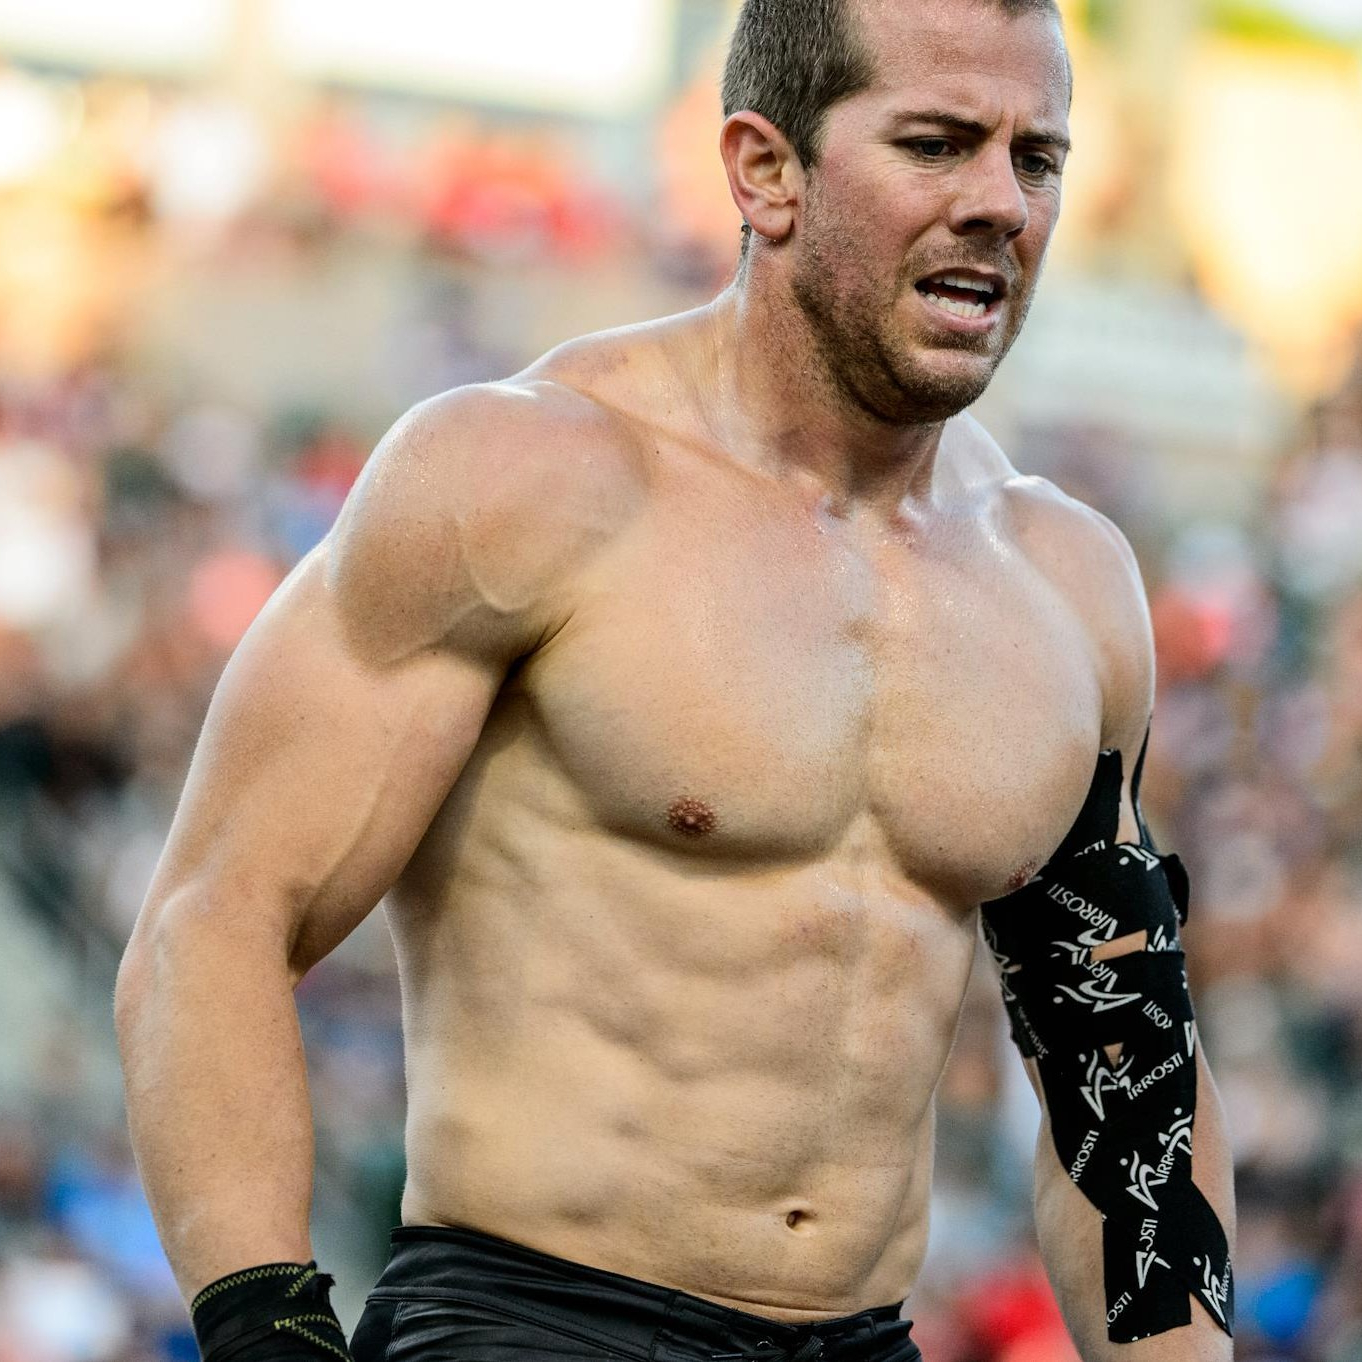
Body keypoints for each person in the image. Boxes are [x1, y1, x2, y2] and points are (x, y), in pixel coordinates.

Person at [115, 0, 1237, 1359]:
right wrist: (266, 1327)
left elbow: (1123, 1072)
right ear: (766, 170)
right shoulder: (527, 479)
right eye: (936, 144)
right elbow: (217, 915)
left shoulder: (1068, 585)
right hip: (532, 1321)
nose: (1000, 202)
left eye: (1035, 158)